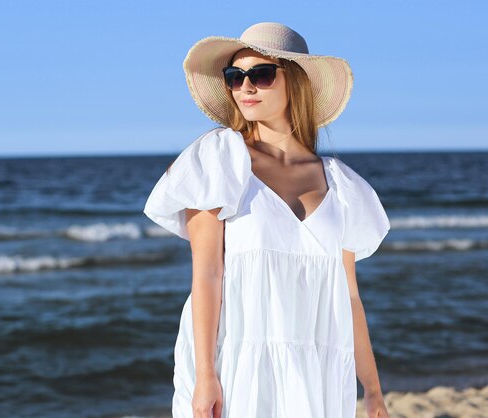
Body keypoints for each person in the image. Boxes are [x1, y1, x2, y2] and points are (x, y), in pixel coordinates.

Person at [143, 22, 391, 418]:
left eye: (260, 74)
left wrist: (374, 391)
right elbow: (206, 275)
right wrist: (206, 374)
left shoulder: (343, 185)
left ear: (295, 82)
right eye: (234, 77)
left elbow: (349, 296)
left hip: (318, 366)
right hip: (236, 361)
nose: (245, 87)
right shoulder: (219, 160)